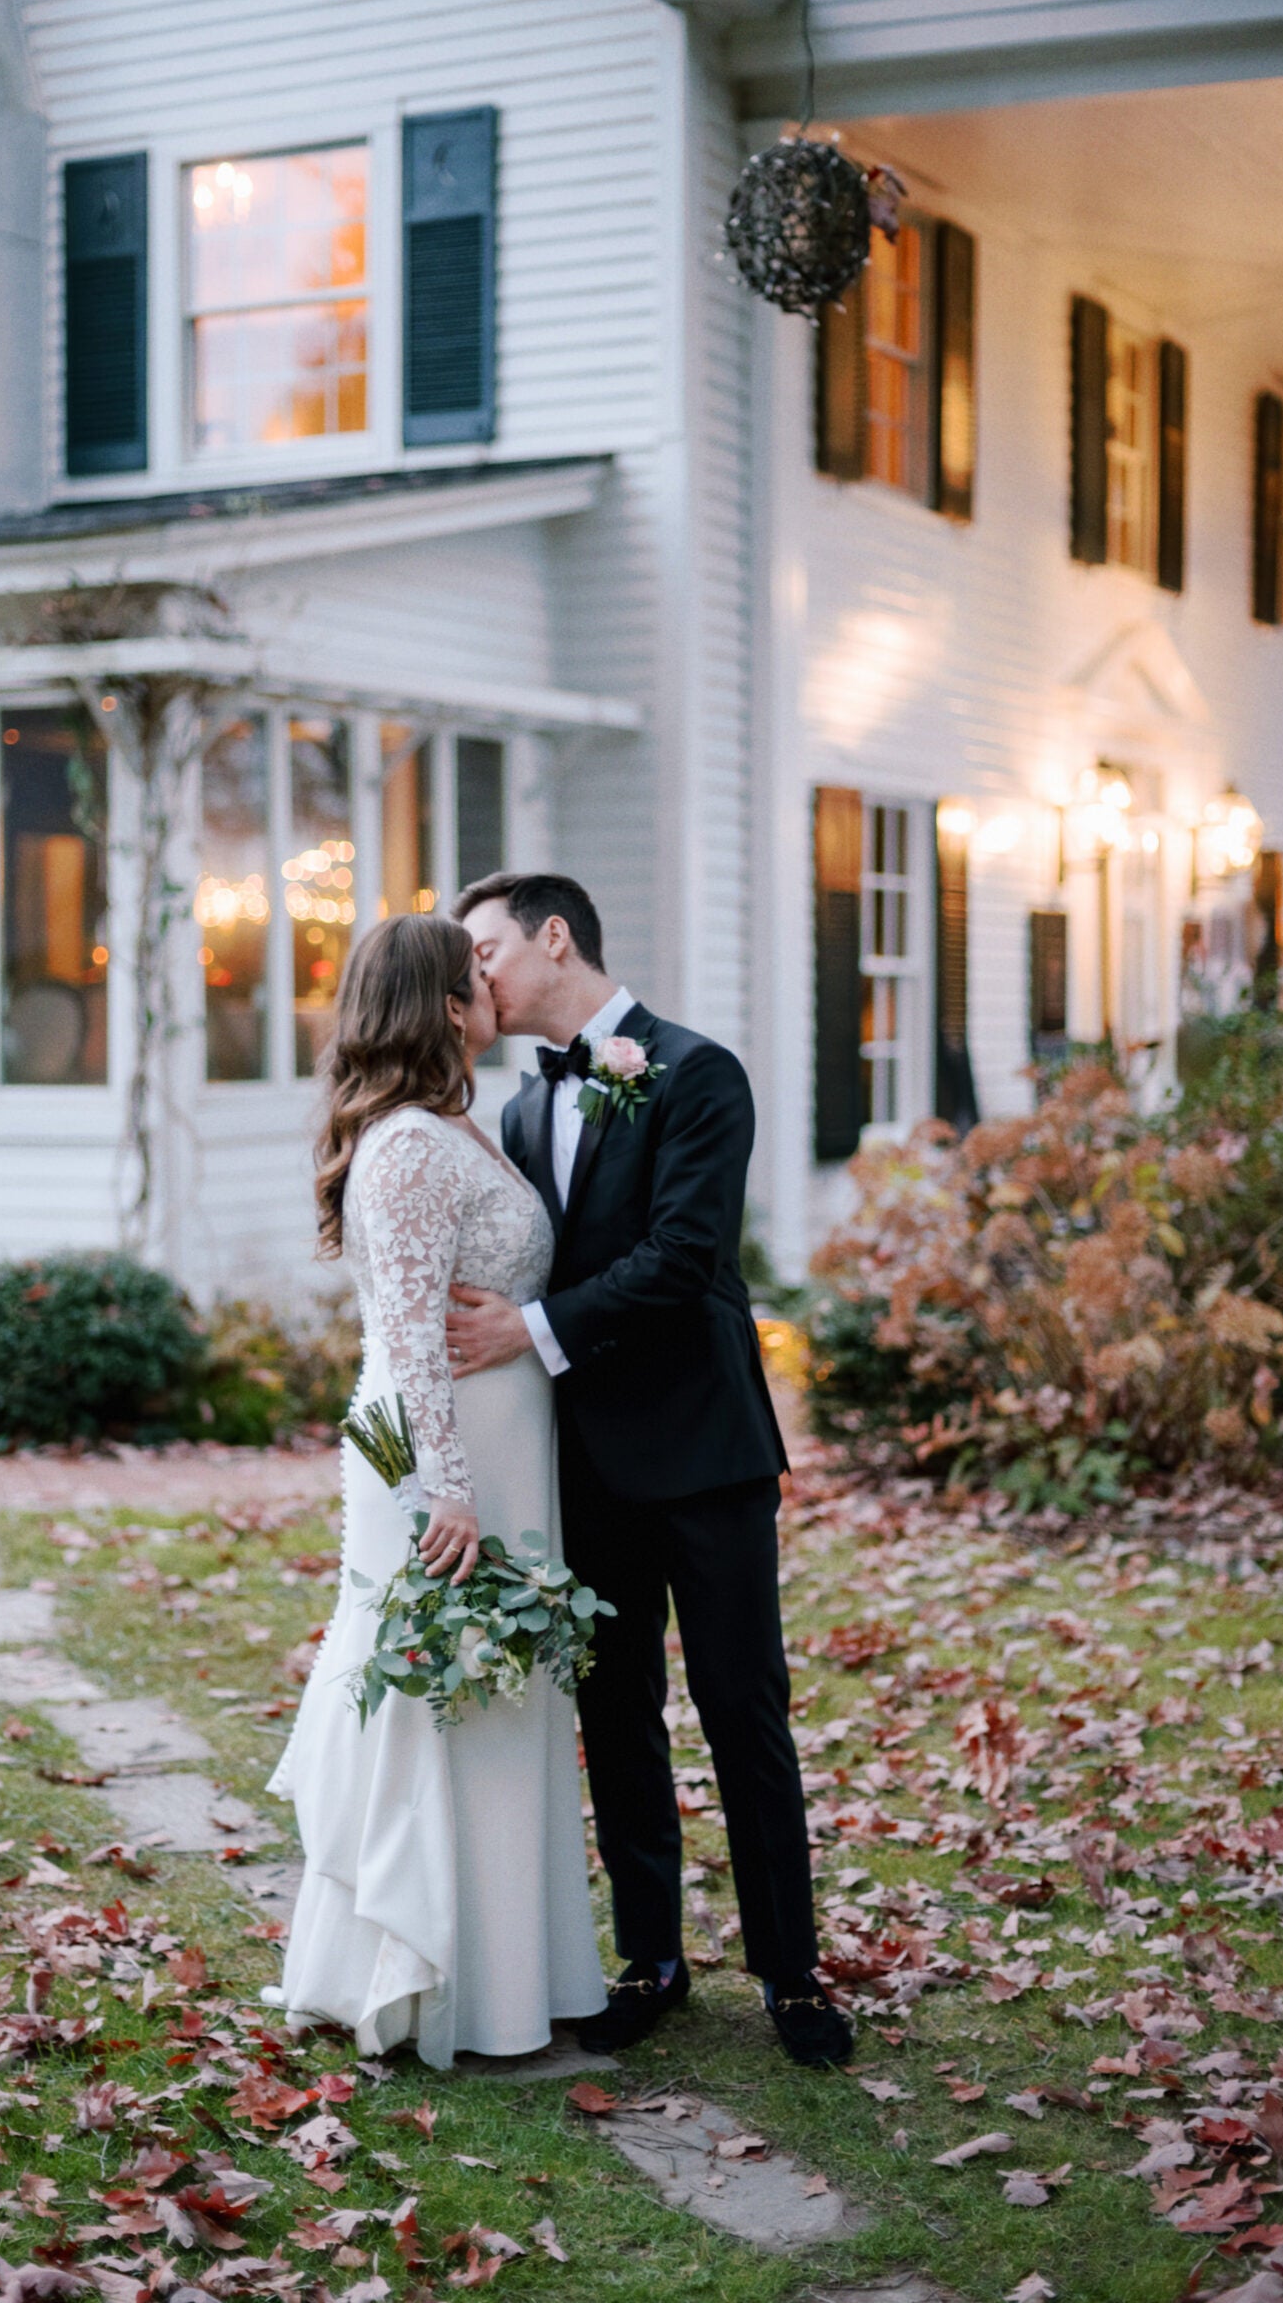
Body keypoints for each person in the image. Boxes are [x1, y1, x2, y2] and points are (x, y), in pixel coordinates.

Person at [444, 872, 852, 2069]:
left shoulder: (698, 1073)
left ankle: (791, 1975)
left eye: (485, 949)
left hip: (708, 1452)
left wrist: (529, 1331)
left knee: (743, 1712)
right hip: (588, 1466)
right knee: (616, 1717)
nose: (474, 975)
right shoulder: (517, 1114)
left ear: (553, 935)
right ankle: (653, 1960)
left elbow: (682, 1258)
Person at [268, 913, 606, 2066]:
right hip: (438, 1458)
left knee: (502, 1704)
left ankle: (519, 1978)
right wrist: (447, 1494)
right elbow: (410, 1340)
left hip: (504, 1450)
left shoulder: (460, 1123)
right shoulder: (409, 1144)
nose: (495, 979)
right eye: (475, 972)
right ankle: (431, 1983)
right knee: (448, 1702)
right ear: (442, 1004)